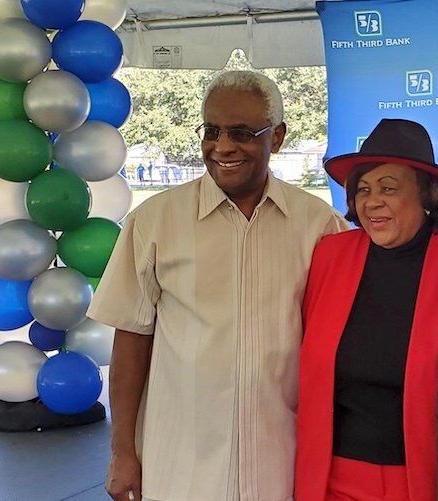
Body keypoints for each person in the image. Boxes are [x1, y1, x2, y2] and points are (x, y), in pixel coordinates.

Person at [88, 70, 348, 501]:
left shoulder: (319, 226)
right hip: (181, 463)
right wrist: (122, 453)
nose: (223, 147)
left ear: (278, 137)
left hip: (282, 460)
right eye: (212, 131)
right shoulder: (154, 221)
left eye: (243, 133)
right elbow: (131, 338)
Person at [296, 119, 438, 501]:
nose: (372, 201)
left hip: (426, 479)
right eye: (363, 190)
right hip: (334, 479)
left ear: (427, 195)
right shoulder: (330, 256)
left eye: (389, 189)